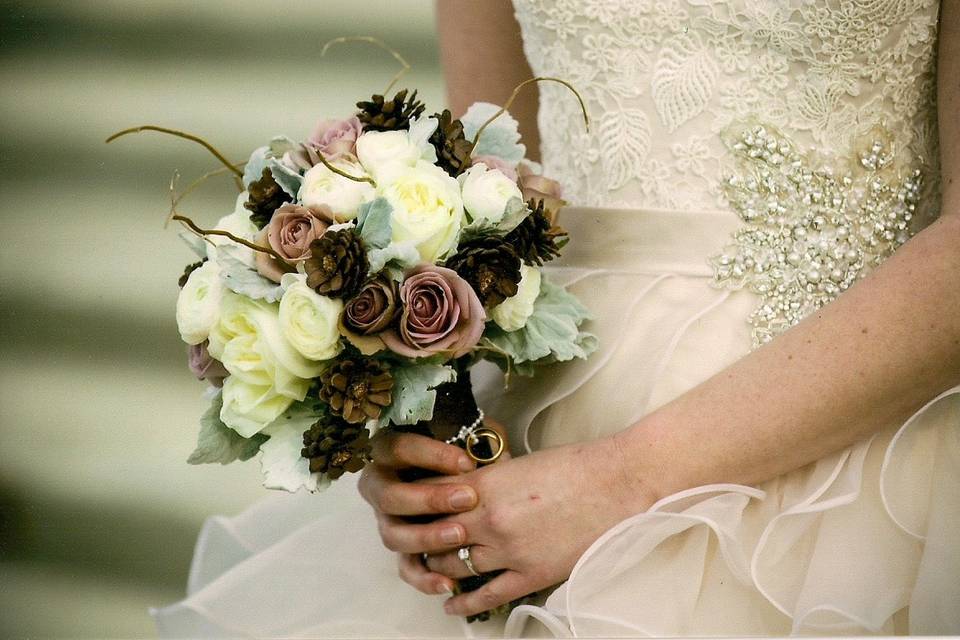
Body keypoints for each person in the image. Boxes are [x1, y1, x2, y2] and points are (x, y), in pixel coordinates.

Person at [153, 0, 960, 636]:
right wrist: (419, 406)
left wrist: (624, 480)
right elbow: (503, 176)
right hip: (549, 404)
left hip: (842, 433)